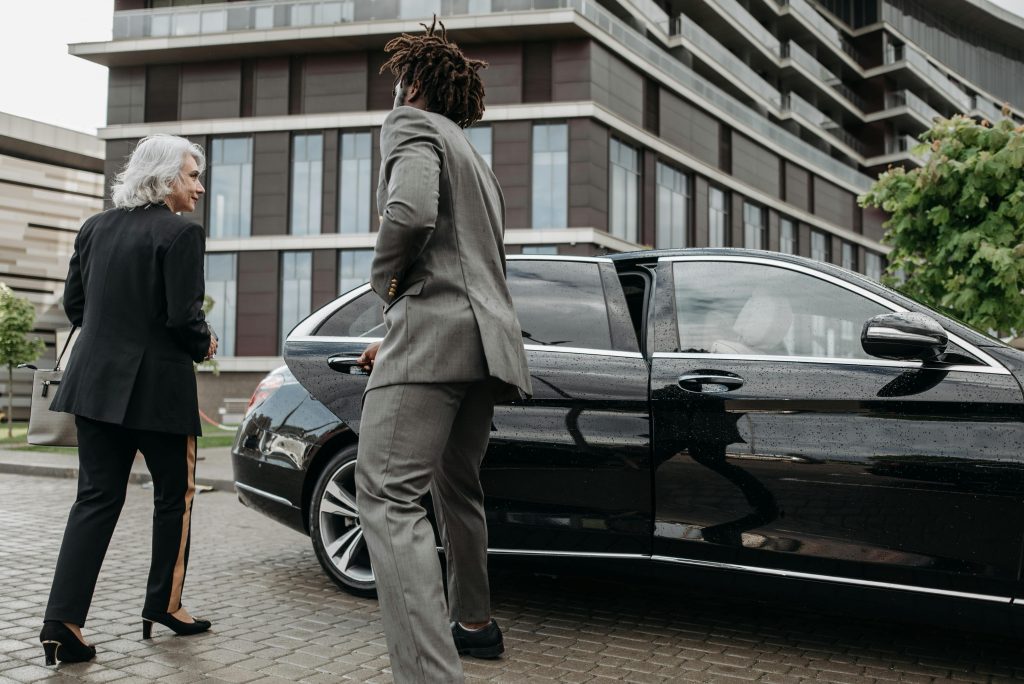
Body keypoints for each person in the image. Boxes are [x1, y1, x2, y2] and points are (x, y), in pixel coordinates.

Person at [354, 18, 532, 683]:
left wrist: (391, 292)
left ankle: (430, 674)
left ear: (414, 83)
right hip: (485, 352)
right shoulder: (477, 162)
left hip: (431, 337)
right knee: (458, 488)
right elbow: (471, 264)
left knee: (386, 497)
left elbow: (411, 214)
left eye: (400, 80)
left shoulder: (411, 125)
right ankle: (475, 624)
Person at [39, 134, 217, 666]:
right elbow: (183, 319)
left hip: (94, 387)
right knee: (175, 498)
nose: (199, 187)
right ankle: (165, 604)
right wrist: (204, 343)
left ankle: (61, 625)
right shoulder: (181, 234)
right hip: (158, 393)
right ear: (164, 179)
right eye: (191, 175)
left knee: (94, 501)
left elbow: (76, 305)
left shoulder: (94, 227)